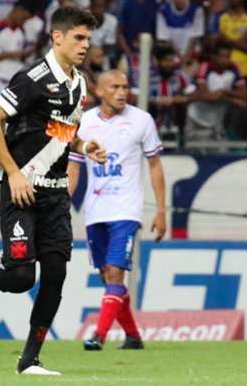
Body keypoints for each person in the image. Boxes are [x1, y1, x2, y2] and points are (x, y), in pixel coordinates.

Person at [0, 6, 105, 376]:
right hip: (22, 190)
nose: (85, 45)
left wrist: (84, 147)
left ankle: (30, 360)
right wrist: (14, 173)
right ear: (57, 36)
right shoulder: (32, 78)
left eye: (88, 39)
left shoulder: (78, 83)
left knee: (56, 273)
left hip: (56, 193)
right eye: (78, 37)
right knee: (20, 278)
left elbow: (57, 131)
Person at [67, 69, 167, 351]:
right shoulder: (84, 123)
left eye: (125, 87)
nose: (122, 92)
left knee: (114, 273)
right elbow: (73, 167)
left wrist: (161, 211)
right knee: (107, 277)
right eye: (115, 87)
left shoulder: (141, 120)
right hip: (95, 209)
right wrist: (63, 204)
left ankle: (98, 335)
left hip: (127, 209)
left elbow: (155, 166)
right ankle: (133, 337)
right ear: (99, 91)